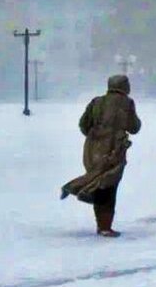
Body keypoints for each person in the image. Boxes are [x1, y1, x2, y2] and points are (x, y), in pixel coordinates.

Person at [60, 74, 142, 237]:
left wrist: (96, 136)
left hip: (92, 148)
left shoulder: (96, 102)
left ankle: (99, 220)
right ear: (125, 86)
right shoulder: (127, 103)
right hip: (114, 149)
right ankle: (104, 226)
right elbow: (134, 127)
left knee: (97, 178)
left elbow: (84, 124)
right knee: (108, 184)